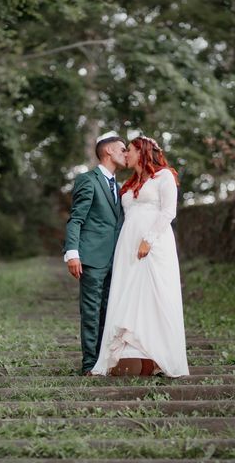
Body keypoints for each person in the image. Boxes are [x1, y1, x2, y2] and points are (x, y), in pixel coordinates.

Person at [91, 135, 189, 377]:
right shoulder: (131, 182)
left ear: (142, 152)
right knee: (129, 298)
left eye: (130, 150)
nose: (126, 155)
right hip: (128, 249)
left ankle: (158, 358)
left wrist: (148, 240)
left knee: (155, 298)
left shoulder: (164, 176)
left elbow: (168, 212)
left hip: (154, 246)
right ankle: (127, 358)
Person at [64, 131, 127, 376]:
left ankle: (104, 361)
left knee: (108, 311)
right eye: (122, 149)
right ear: (108, 150)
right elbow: (76, 219)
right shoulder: (88, 180)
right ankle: (90, 365)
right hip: (91, 258)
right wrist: (72, 253)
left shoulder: (119, 186)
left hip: (116, 260)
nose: (126, 154)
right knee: (91, 311)